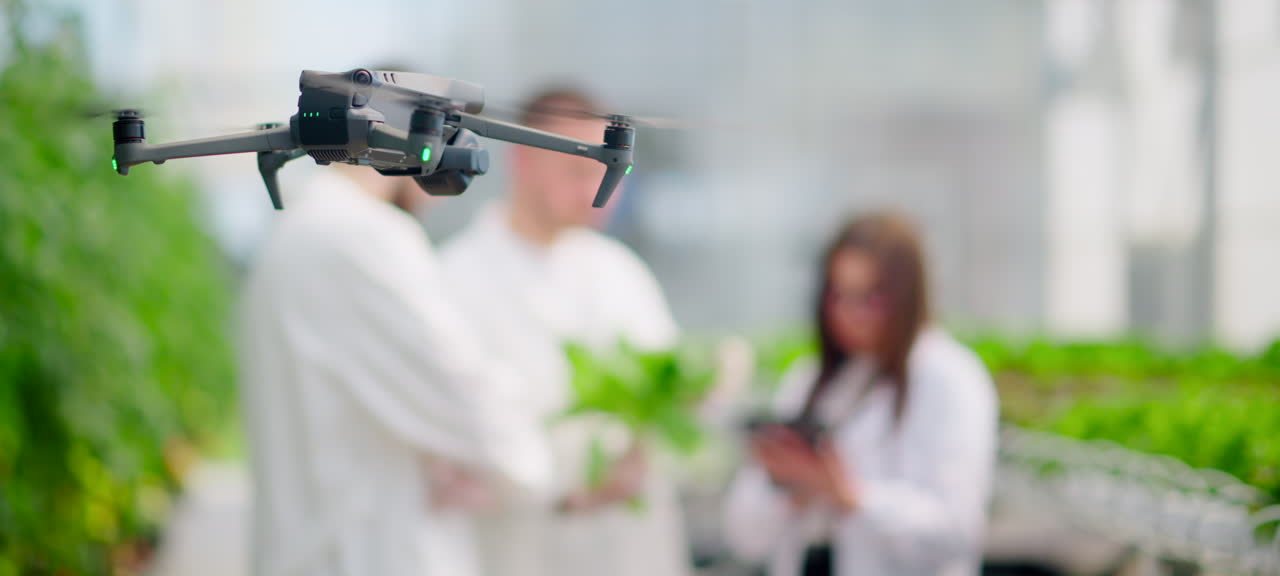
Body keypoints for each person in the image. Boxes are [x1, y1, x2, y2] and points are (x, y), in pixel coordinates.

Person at [237, 162, 550, 576]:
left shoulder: (296, 230)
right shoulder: (363, 235)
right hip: (367, 554)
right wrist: (518, 466)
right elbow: (470, 399)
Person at [438, 85, 690, 576]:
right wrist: (561, 488)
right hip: (518, 551)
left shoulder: (622, 274)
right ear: (524, 161)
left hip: (623, 550)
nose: (597, 190)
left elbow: (669, 398)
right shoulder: (453, 281)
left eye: (607, 169)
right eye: (577, 169)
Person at [722, 211, 998, 576]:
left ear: (905, 297)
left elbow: (958, 532)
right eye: (838, 296)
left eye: (868, 299)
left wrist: (852, 497)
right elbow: (744, 537)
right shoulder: (810, 380)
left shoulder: (950, 379)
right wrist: (784, 485)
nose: (850, 315)